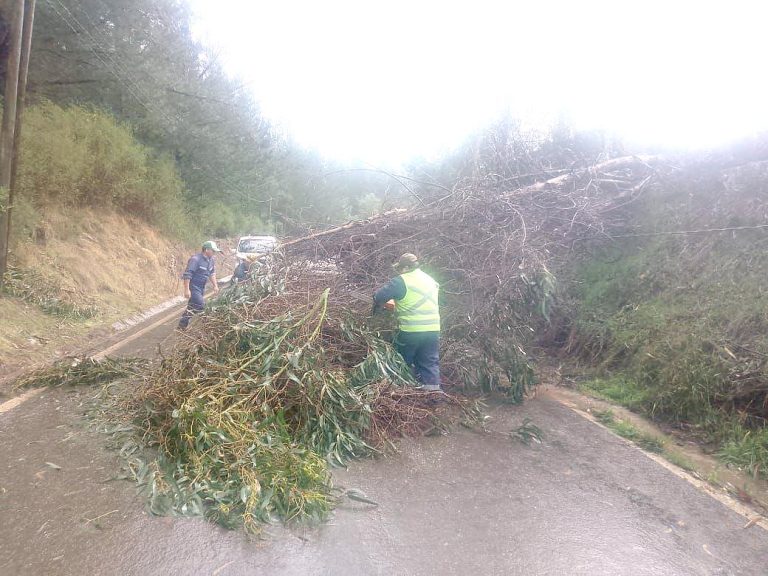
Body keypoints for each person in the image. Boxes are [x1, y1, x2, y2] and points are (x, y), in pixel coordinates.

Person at [373, 253, 442, 391]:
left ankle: (403, 391)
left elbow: (378, 296)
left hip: (411, 330)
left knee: (403, 360)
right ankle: (433, 393)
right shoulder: (430, 280)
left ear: (405, 267)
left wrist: (389, 304)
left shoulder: (401, 281)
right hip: (433, 329)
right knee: (429, 361)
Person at [178, 240, 222, 330]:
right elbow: (188, 274)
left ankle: (182, 325)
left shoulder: (211, 260)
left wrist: (215, 285)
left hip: (202, 287)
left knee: (192, 306)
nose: (214, 253)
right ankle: (206, 327)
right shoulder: (195, 260)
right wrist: (187, 289)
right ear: (206, 250)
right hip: (194, 287)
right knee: (201, 306)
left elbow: (212, 273)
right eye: (213, 251)